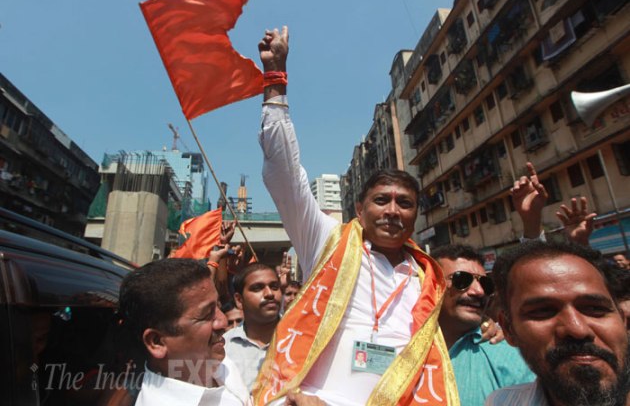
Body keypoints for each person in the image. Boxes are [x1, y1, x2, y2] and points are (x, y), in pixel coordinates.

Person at [254, 26, 457, 405]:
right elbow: (284, 173)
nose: (393, 211)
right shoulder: (328, 241)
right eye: (382, 200)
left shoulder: (427, 275)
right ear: (360, 210)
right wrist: (276, 81)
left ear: (416, 214)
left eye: (404, 203)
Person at [486, 241, 630, 406]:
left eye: (594, 308)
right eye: (543, 311)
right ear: (508, 330)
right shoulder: (502, 402)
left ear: (623, 319)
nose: (577, 329)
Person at [118, 258, 250, 406]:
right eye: (207, 315)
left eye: (218, 305)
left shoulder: (218, 361)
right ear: (156, 342)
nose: (223, 322)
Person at [431, 245, 534, 405]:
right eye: (462, 280)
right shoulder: (402, 343)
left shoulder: (509, 356)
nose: (479, 291)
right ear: (431, 285)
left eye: (485, 284)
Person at [224, 263, 282, 391]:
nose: (269, 293)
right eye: (257, 288)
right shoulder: (223, 347)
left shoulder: (301, 337)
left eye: (274, 287)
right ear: (239, 300)